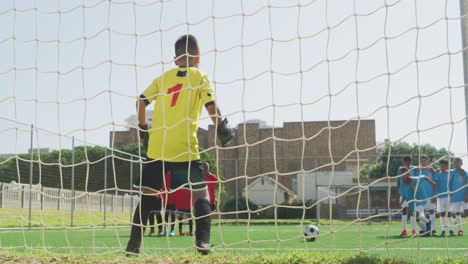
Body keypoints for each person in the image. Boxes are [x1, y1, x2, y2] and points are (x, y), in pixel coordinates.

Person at [125, 34, 233, 255]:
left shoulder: (163, 79)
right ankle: (202, 243)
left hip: (157, 147)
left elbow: (141, 102)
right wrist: (222, 129)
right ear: (198, 57)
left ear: (176, 60)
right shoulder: (200, 76)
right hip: (185, 148)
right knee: (200, 195)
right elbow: (211, 107)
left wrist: (145, 130)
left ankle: (132, 246)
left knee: (147, 197)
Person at [400, 167, 431, 236]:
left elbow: (424, 177)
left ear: (408, 174)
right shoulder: (403, 183)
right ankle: (425, 231)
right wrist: (401, 202)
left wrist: (433, 183)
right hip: (412, 201)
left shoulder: (414, 179)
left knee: (414, 214)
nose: (402, 175)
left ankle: (428, 222)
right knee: (417, 219)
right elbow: (405, 194)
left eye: (404, 173)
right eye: (401, 174)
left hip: (421, 199)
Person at [414, 155, 437, 235]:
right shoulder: (417, 171)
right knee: (417, 215)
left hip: (430, 195)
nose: (423, 162)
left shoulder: (431, 170)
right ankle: (425, 230)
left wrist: (434, 195)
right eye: (421, 161)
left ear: (428, 161)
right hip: (420, 197)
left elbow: (435, 184)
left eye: (424, 161)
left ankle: (433, 230)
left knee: (431, 212)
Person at [432, 159, 455, 236]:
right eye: (441, 166)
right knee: (441, 214)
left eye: (444, 166)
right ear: (439, 167)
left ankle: (451, 230)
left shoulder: (450, 173)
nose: (443, 167)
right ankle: (443, 231)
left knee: (449, 213)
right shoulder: (437, 174)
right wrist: (434, 196)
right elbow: (435, 184)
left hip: (448, 196)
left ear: (447, 166)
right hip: (440, 196)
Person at [397, 155, 416, 236]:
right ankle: (404, 230)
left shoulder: (414, 169)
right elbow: (398, 181)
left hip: (411, 194)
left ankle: (413, 230)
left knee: (412, 212)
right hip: (403, 193)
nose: (407, 163)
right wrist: (398, 192)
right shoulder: (400, 170)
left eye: (409, 161)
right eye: (406, 161)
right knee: (404, 211)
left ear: (411, 162)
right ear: (403, 162)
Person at [449, 158, 468, 236]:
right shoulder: (452, 173)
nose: (456, 164)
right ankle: (460, 230)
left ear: (461, 163)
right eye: (454, 163)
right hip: (455, 197)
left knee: (466, 212)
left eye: (458, 162)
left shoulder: (465, 173)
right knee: (457, 213)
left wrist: (467, 195)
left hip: (464, 196)